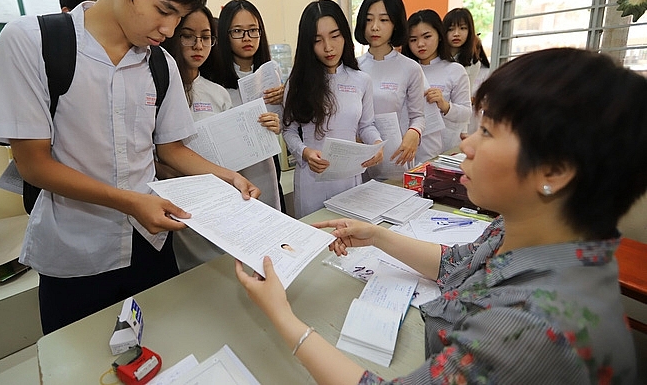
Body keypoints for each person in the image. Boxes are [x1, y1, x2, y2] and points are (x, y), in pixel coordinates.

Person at [236, 47, 647, 384]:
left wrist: (282, 316)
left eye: (488, 132)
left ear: (554, 172)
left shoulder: (536, 330)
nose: (466, 143)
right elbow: (457, 265)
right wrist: (375, 235)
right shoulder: (533, 229)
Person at [0, 0, 259, 334]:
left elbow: (171, 149)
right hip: (75, 253)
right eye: (164, 11)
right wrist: (131, 202)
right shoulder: (33, 43)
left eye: (179, 16)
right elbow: (33, 165)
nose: (169, 30)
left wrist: (228, 177)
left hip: (150, 245)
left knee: (163, 349)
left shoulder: (160, 64)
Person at [159, 6, 280, 272]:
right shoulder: (162, 89)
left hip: (220, 197)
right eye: (188, 36)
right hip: (181, 200)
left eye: (205, 37)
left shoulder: (217, 92)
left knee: (224, 267)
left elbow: (232, 152)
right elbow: (159, 152)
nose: (197, 45)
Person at [282, 0, 383, 218]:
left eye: (335, 36)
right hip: (312, 177)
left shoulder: (361, 80)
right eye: (318, 40)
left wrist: (376, 144)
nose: (328, 47)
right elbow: (289, 130)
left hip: (350, 179)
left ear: (345, 35)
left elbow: (366, 125)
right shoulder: (298, 82)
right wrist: (305, 152)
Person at [209, 0, 285, 212]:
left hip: (266, 168)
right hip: (230, 174)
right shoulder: (214, 84)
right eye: (238, 32)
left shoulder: (271, 73)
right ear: (225, 35)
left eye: (253, 31)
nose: (247, 38)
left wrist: (277, 121)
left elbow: (281, 126)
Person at [354, 0, 426, 179]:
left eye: (383, 20)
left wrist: (414, 132)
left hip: (396, 158)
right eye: (369, 19)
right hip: (359, 158)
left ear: (396, 23)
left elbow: (418, 116)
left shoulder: (410, 68)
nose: (374, 27)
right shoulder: (353, 68)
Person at [402, 9, 471, 159]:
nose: (420, 44)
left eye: (427, 36)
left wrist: (445, 105)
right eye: (413, 39)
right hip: (407, 150)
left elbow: (466, 112)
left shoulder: (455, 70)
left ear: (439, 36)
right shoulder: (405, 70)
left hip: (444, 152)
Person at [442, 8, 491, 139]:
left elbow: (465, 98)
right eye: (451, 29)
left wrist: (463, 129)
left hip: (456, 121)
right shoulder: (436, 58)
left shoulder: (473, 63)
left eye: (463, 28)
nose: (456, 34)